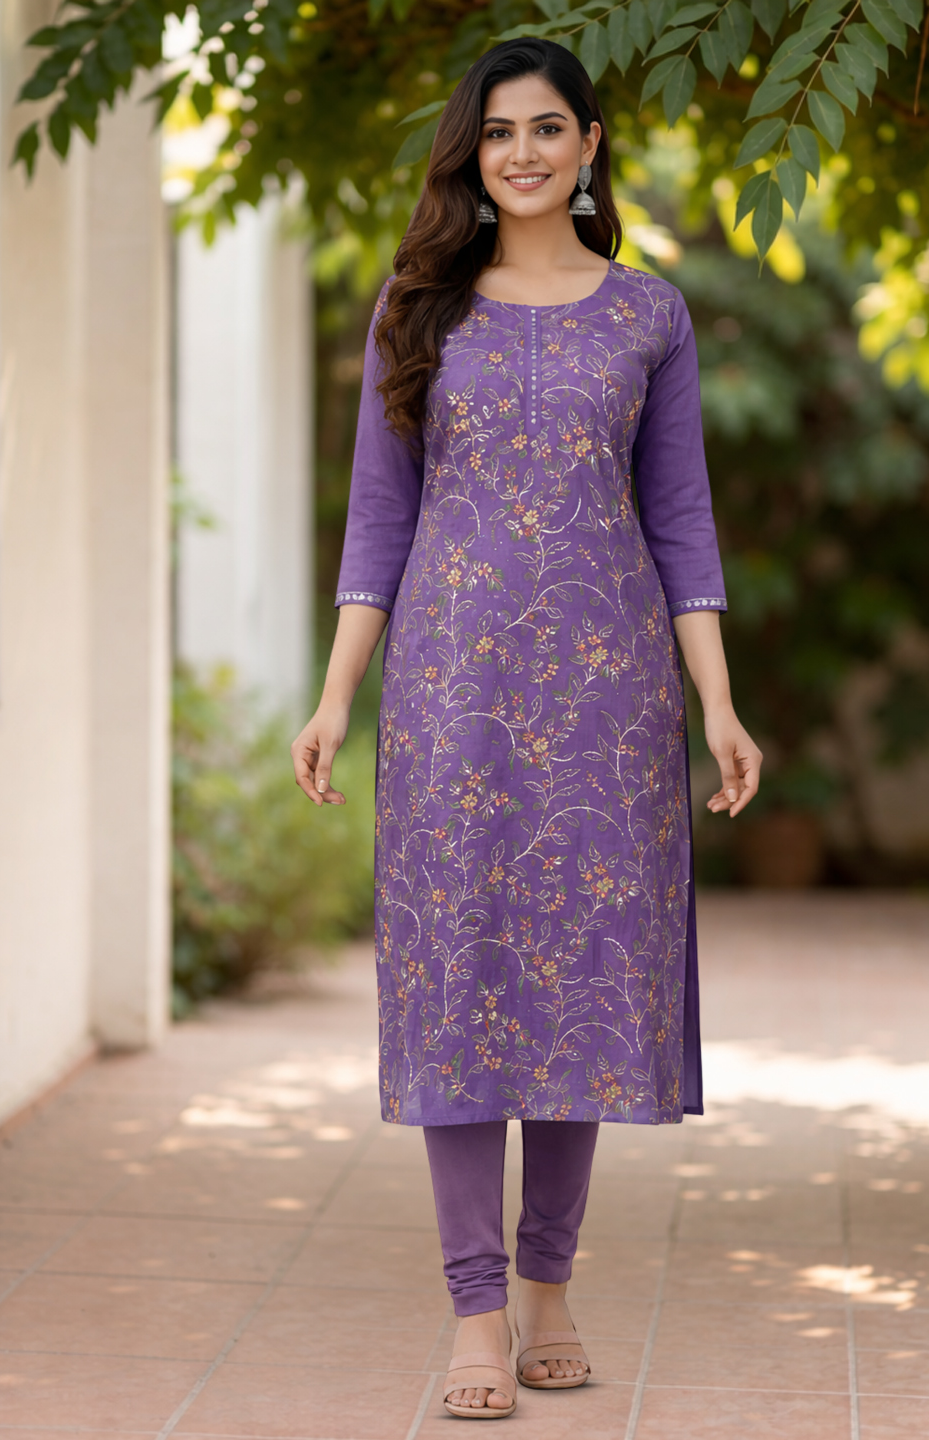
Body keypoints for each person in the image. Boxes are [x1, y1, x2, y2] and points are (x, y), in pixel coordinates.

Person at [291, 36, 761, 1420]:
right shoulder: (418, 310)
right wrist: (335, 695)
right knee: (459, 983)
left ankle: (550, 1289)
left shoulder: (649, 316)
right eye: (498, 132)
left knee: (578, 985)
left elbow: (681, 521)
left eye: (548, 127)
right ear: (473, 152)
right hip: (452, 697)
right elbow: (379, 520)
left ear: (591, 144)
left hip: (611, 701)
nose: (522, 153)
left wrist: (719, 702)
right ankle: (476, 1316)